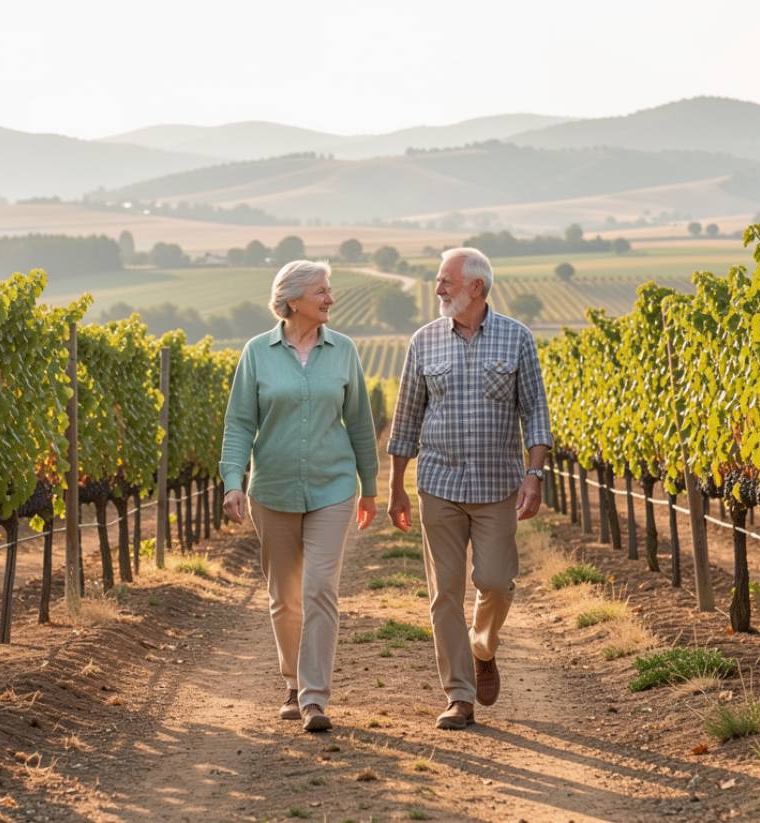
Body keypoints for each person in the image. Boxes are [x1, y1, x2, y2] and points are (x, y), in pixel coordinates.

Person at [387, 247, 551, 730]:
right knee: (444, 594)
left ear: (475, 287)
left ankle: (484, 646)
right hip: (438, 484)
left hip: (498, 485)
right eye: (439, 281)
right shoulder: (424, 341)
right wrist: (396, 486)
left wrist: (534, 474)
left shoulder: (516, 338)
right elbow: (405, 420)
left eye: (445, 281)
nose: (437, 288)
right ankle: (459, 695)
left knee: (496, 582)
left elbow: (536, 413)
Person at [220, 259, 379, 733]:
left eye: (329, 290)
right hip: (272, 489)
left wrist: (369, 489)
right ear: (293, 301)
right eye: (322, 292)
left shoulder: (344, 350)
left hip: (333, 487)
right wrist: (233, 480)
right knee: (284, 597)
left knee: (319, 590)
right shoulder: (256, 353)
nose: (331, 299)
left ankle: (313, 698)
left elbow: (361, 425)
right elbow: (239, 424)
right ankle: (291, 682)